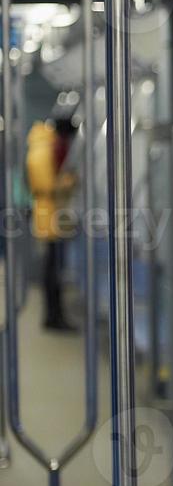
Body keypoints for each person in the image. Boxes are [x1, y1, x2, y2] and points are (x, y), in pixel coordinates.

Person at [26, 114, 78, 332]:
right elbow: (51, 185)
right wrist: (70, 180)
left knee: (52, 266)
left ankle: (54, 314)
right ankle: (54, 316)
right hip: (51, 213)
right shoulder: (48, 149)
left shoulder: (39, 145)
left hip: (46, 211)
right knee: (53, 268)